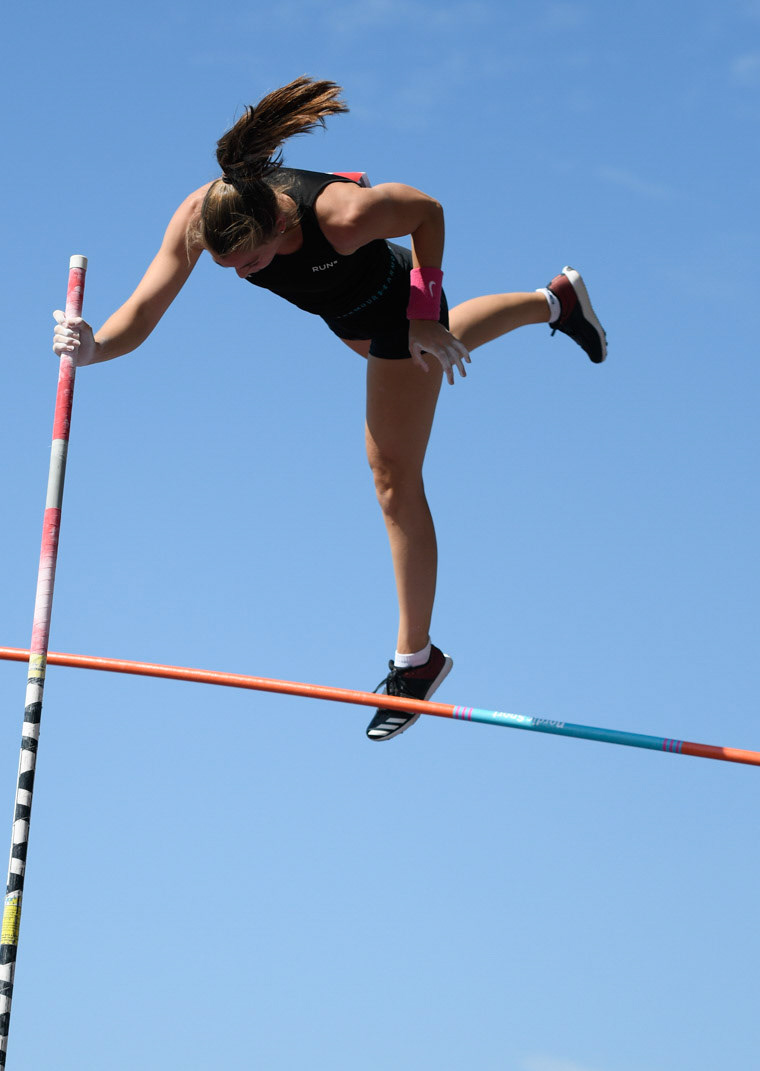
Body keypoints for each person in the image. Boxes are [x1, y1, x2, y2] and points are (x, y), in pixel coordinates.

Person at [53, 78, 607, 741]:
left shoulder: (342, 215)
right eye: (231, 268)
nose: (242, 275)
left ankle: (416, 661)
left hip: (393, 303)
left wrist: (423, 312)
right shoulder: (206, 216)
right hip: (349, 318)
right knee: (418, 351)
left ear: (281, 222)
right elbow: (145, 309)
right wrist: (94, 348)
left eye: (251, 263)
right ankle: (558, 300)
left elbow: (428, 210)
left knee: (393, 477)